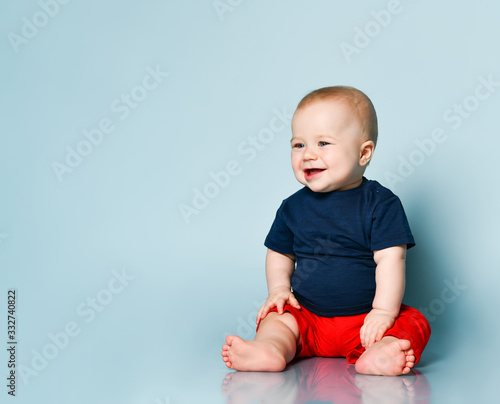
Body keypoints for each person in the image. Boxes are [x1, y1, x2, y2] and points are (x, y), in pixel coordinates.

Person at [221, 86, 431, 375]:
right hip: (308, 318)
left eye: (323, 143)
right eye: (298, 145)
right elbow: (279, 253)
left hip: (365, 321)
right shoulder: (291, 208)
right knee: (278, 317)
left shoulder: (381, 204)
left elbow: (391, 260)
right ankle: (271, 348)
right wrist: (280, 290)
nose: (308, 155)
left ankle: (380, 352)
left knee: (413, 321)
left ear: (363, 152)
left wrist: (383, 312)